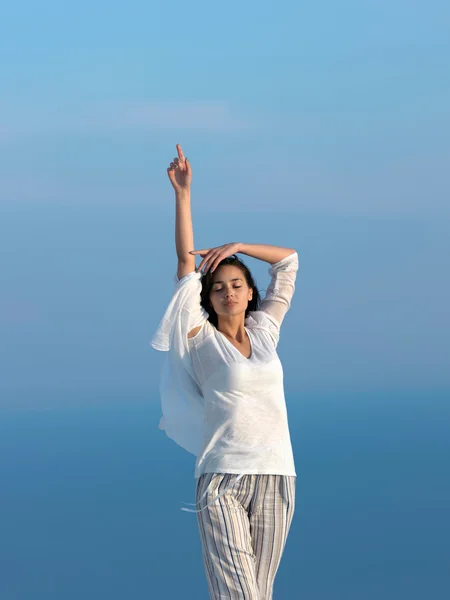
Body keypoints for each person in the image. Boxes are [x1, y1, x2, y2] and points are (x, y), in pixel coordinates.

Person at [151, 144, 299, 600]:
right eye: (218, 288)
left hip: (277, 475)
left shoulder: (265, 331)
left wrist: (237, 247)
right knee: (240, 595)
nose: (228, 292)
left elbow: (288, 261)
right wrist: (183, 195)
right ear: (208, 299)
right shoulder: (201, 338)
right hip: (223, 478)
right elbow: (185, 266)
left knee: (260, 592)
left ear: (250, 293)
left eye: (236, 284)